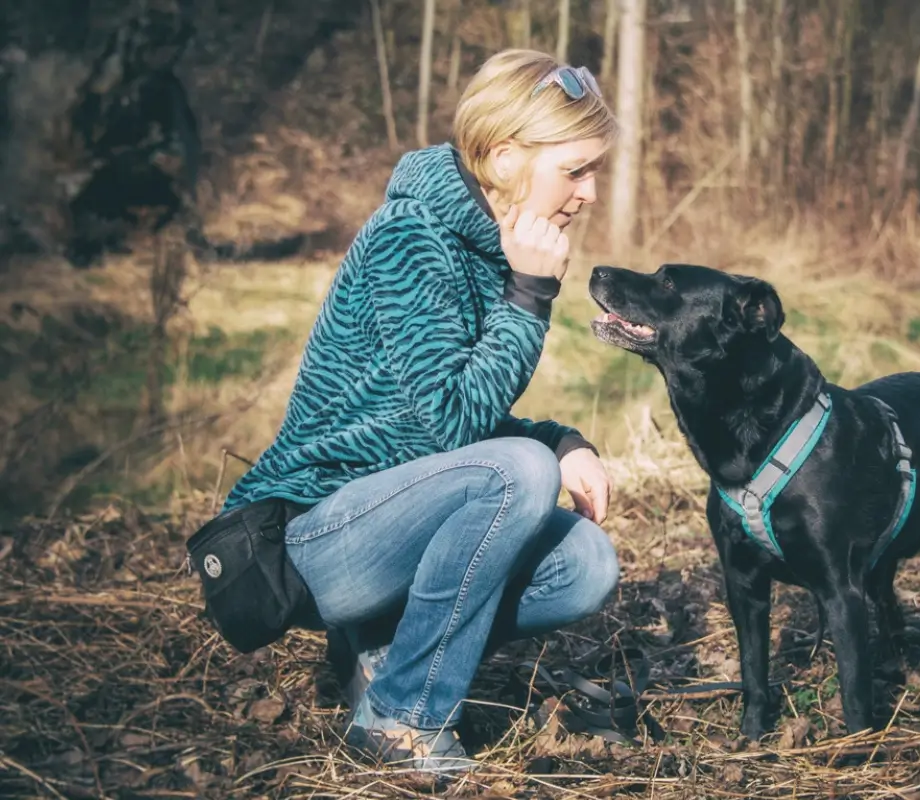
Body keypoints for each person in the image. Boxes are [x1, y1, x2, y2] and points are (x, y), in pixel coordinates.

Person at [219, 49, 622, 773]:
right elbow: (450, 430)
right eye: (576, 168)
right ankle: (402, 715)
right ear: (503, 158)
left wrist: (562, 441)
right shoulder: (412, 237)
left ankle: (382, 645)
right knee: (515, 475)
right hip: (309, 535)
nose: (590, 192)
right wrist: (530, 297)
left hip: (387, 520)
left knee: (585, 564)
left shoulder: (482, 246)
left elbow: (439, 424)